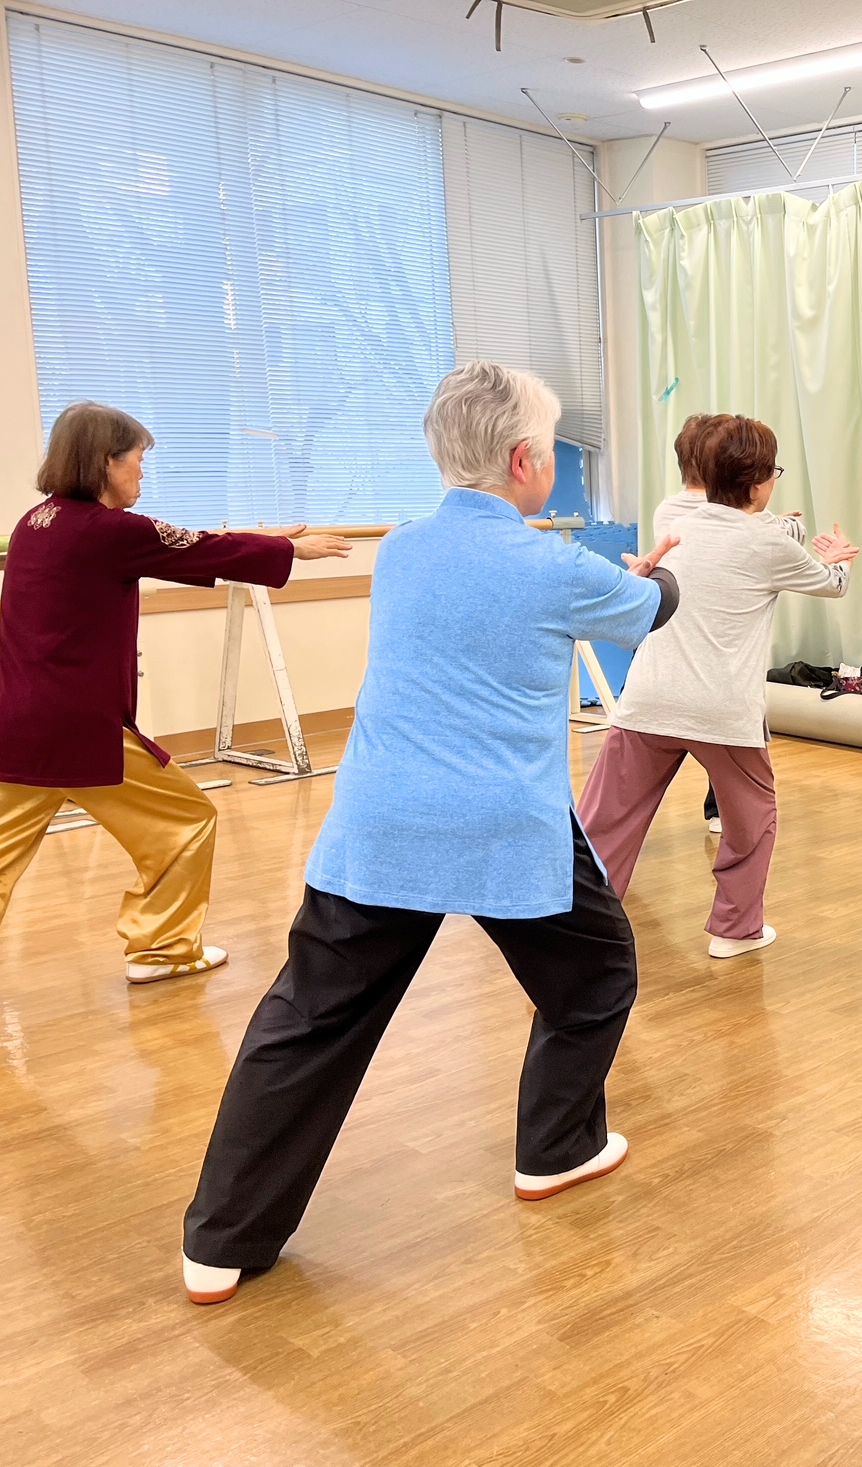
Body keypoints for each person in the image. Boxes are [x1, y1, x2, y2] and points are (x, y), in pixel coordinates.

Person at [180, 362, 678, 1304]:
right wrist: (649, 574)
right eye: (551, 446)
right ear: (526, 461)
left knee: (308, 1021)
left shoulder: (402, 550)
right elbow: (655, 610)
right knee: (597, 978)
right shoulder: (554, 566)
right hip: (504, 828)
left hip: (380, 825)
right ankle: (557, 1149)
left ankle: (222, 1239)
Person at [0, 403, 351, 1042]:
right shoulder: (106, 531)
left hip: (10, 725)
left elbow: (181, 543)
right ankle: (162, 948)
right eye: (138, 460)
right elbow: (188, 546)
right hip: (76, 733)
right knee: (186, 822)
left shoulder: (38, 522)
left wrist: (264, 541)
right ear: (106, 462)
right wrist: (289, 549)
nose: (142, 473)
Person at [577, 414, 858, 959]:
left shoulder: (676, 523)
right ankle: (735, 929)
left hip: (648, 699)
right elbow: (832, 584)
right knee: (752, 821)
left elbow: (768, 533)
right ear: (757, 484)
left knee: (604, 822)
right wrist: (837, 560)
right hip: (721, 711)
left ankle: (577, 930)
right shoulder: (768, 542)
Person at [654, 413, 807, 838]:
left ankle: (719, 809)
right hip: (713, 644)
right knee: (725, 729)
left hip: (682, 643)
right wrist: (780, 524)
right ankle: (724, 812)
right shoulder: (703, 514)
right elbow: (778, 537)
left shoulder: (673, 511)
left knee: (696, 732)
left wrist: (770, 524)